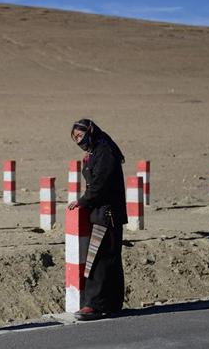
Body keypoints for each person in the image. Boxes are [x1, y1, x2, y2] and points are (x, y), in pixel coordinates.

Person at [68, 118, 127, 321]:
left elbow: (99, 185)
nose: (78, 141)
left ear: (90, 132)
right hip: (105, 213)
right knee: (109, 258)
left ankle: (95, 305)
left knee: (100, 260)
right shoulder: (98, 150)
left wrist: (82, 201)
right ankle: (112, 303)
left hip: (107, 213)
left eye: (80, 135)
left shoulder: (104, 151)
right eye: (75, 137)